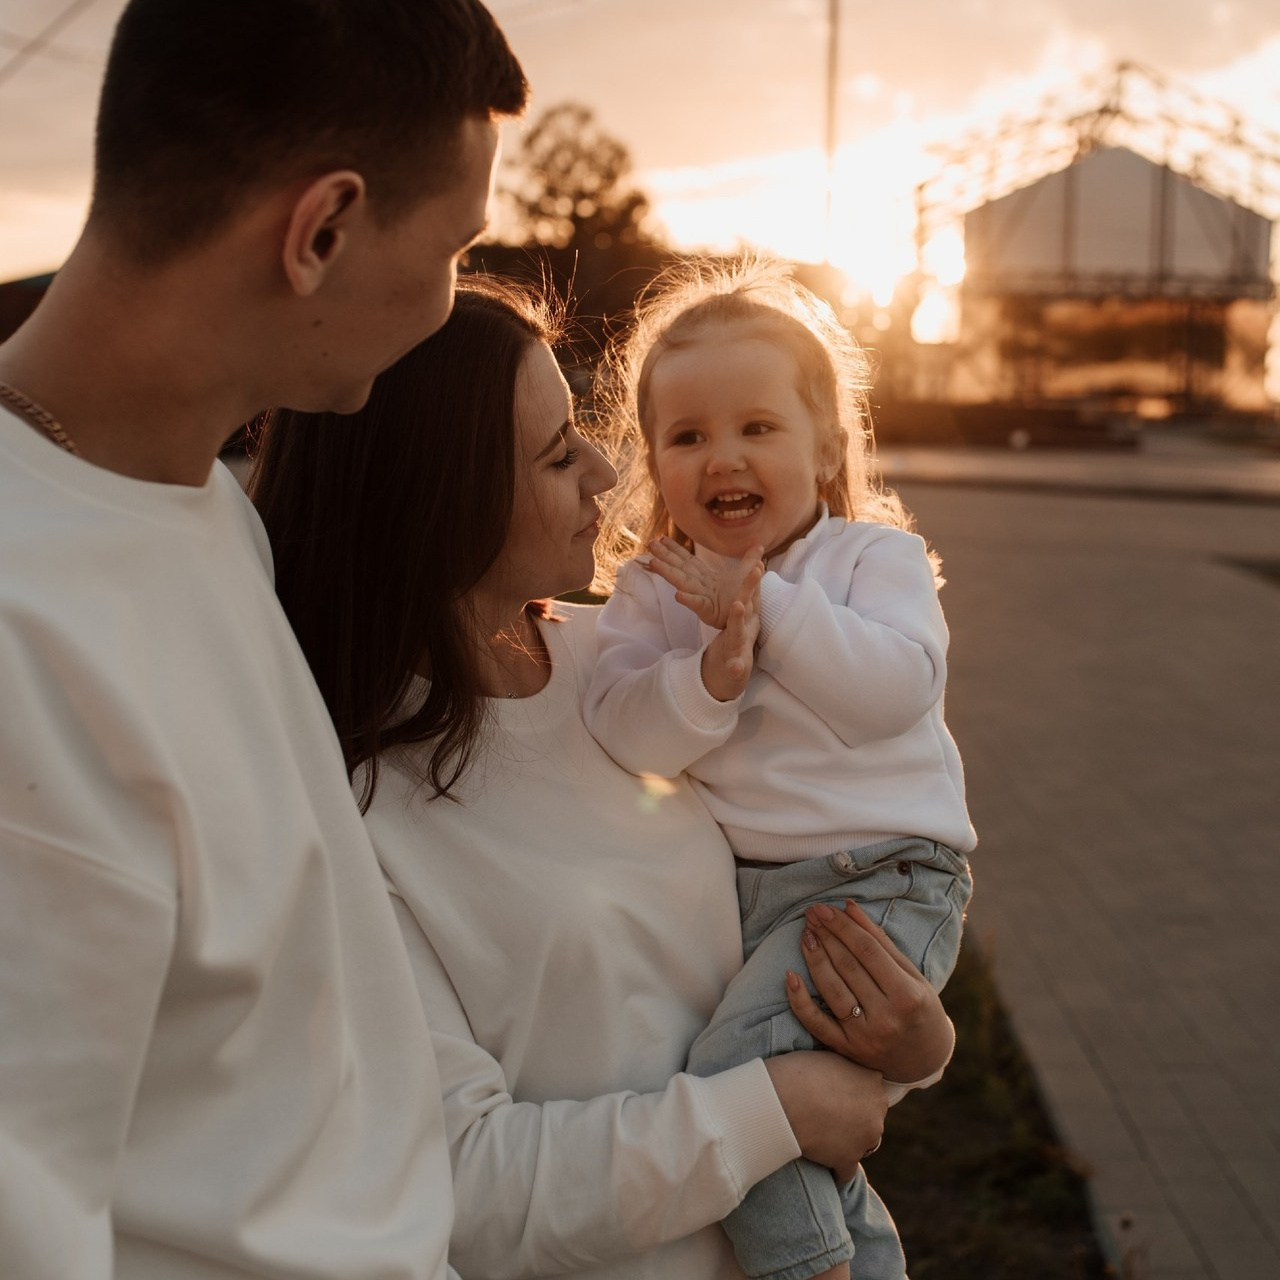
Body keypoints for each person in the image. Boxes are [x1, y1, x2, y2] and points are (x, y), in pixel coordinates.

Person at [249, 274, 959, 1280]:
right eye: (554, 453)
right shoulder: (353, 805)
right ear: (435, 497)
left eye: (582, 429)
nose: (602, 469)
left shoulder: (636, 669)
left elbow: (781, 949)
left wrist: (912, 1047)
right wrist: (771, 1110)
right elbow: (463, 1189)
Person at [0, 2, 526, 1277]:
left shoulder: (198, 501)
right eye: (457, 241)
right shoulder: (26, 641)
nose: (452, 285)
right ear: (322, 230)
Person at [581, 257, 977, 1280]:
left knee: (735, 1082)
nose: (724, 456)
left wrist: (765, 611)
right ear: (652, 463)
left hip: (879, 879)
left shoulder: (864, 561)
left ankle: (805, 1268)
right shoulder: (652, 589)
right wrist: (707, 674)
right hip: (760, 901)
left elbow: (891, 691)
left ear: (827, 446)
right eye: (687, 435)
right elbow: (626, 731)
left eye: (756, 427)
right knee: (797, 1125)